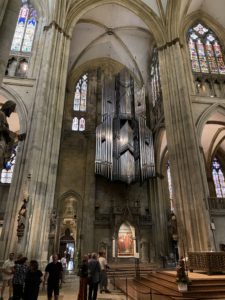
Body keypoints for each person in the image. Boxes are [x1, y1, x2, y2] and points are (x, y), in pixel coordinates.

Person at [0, 101, 25, 173]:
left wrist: (16, 135)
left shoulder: (3, 116)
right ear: (7, 107)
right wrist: (16, 135)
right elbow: (1, 127)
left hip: (3, 143)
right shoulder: (1, 114)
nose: (11, 112)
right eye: (11, 109)